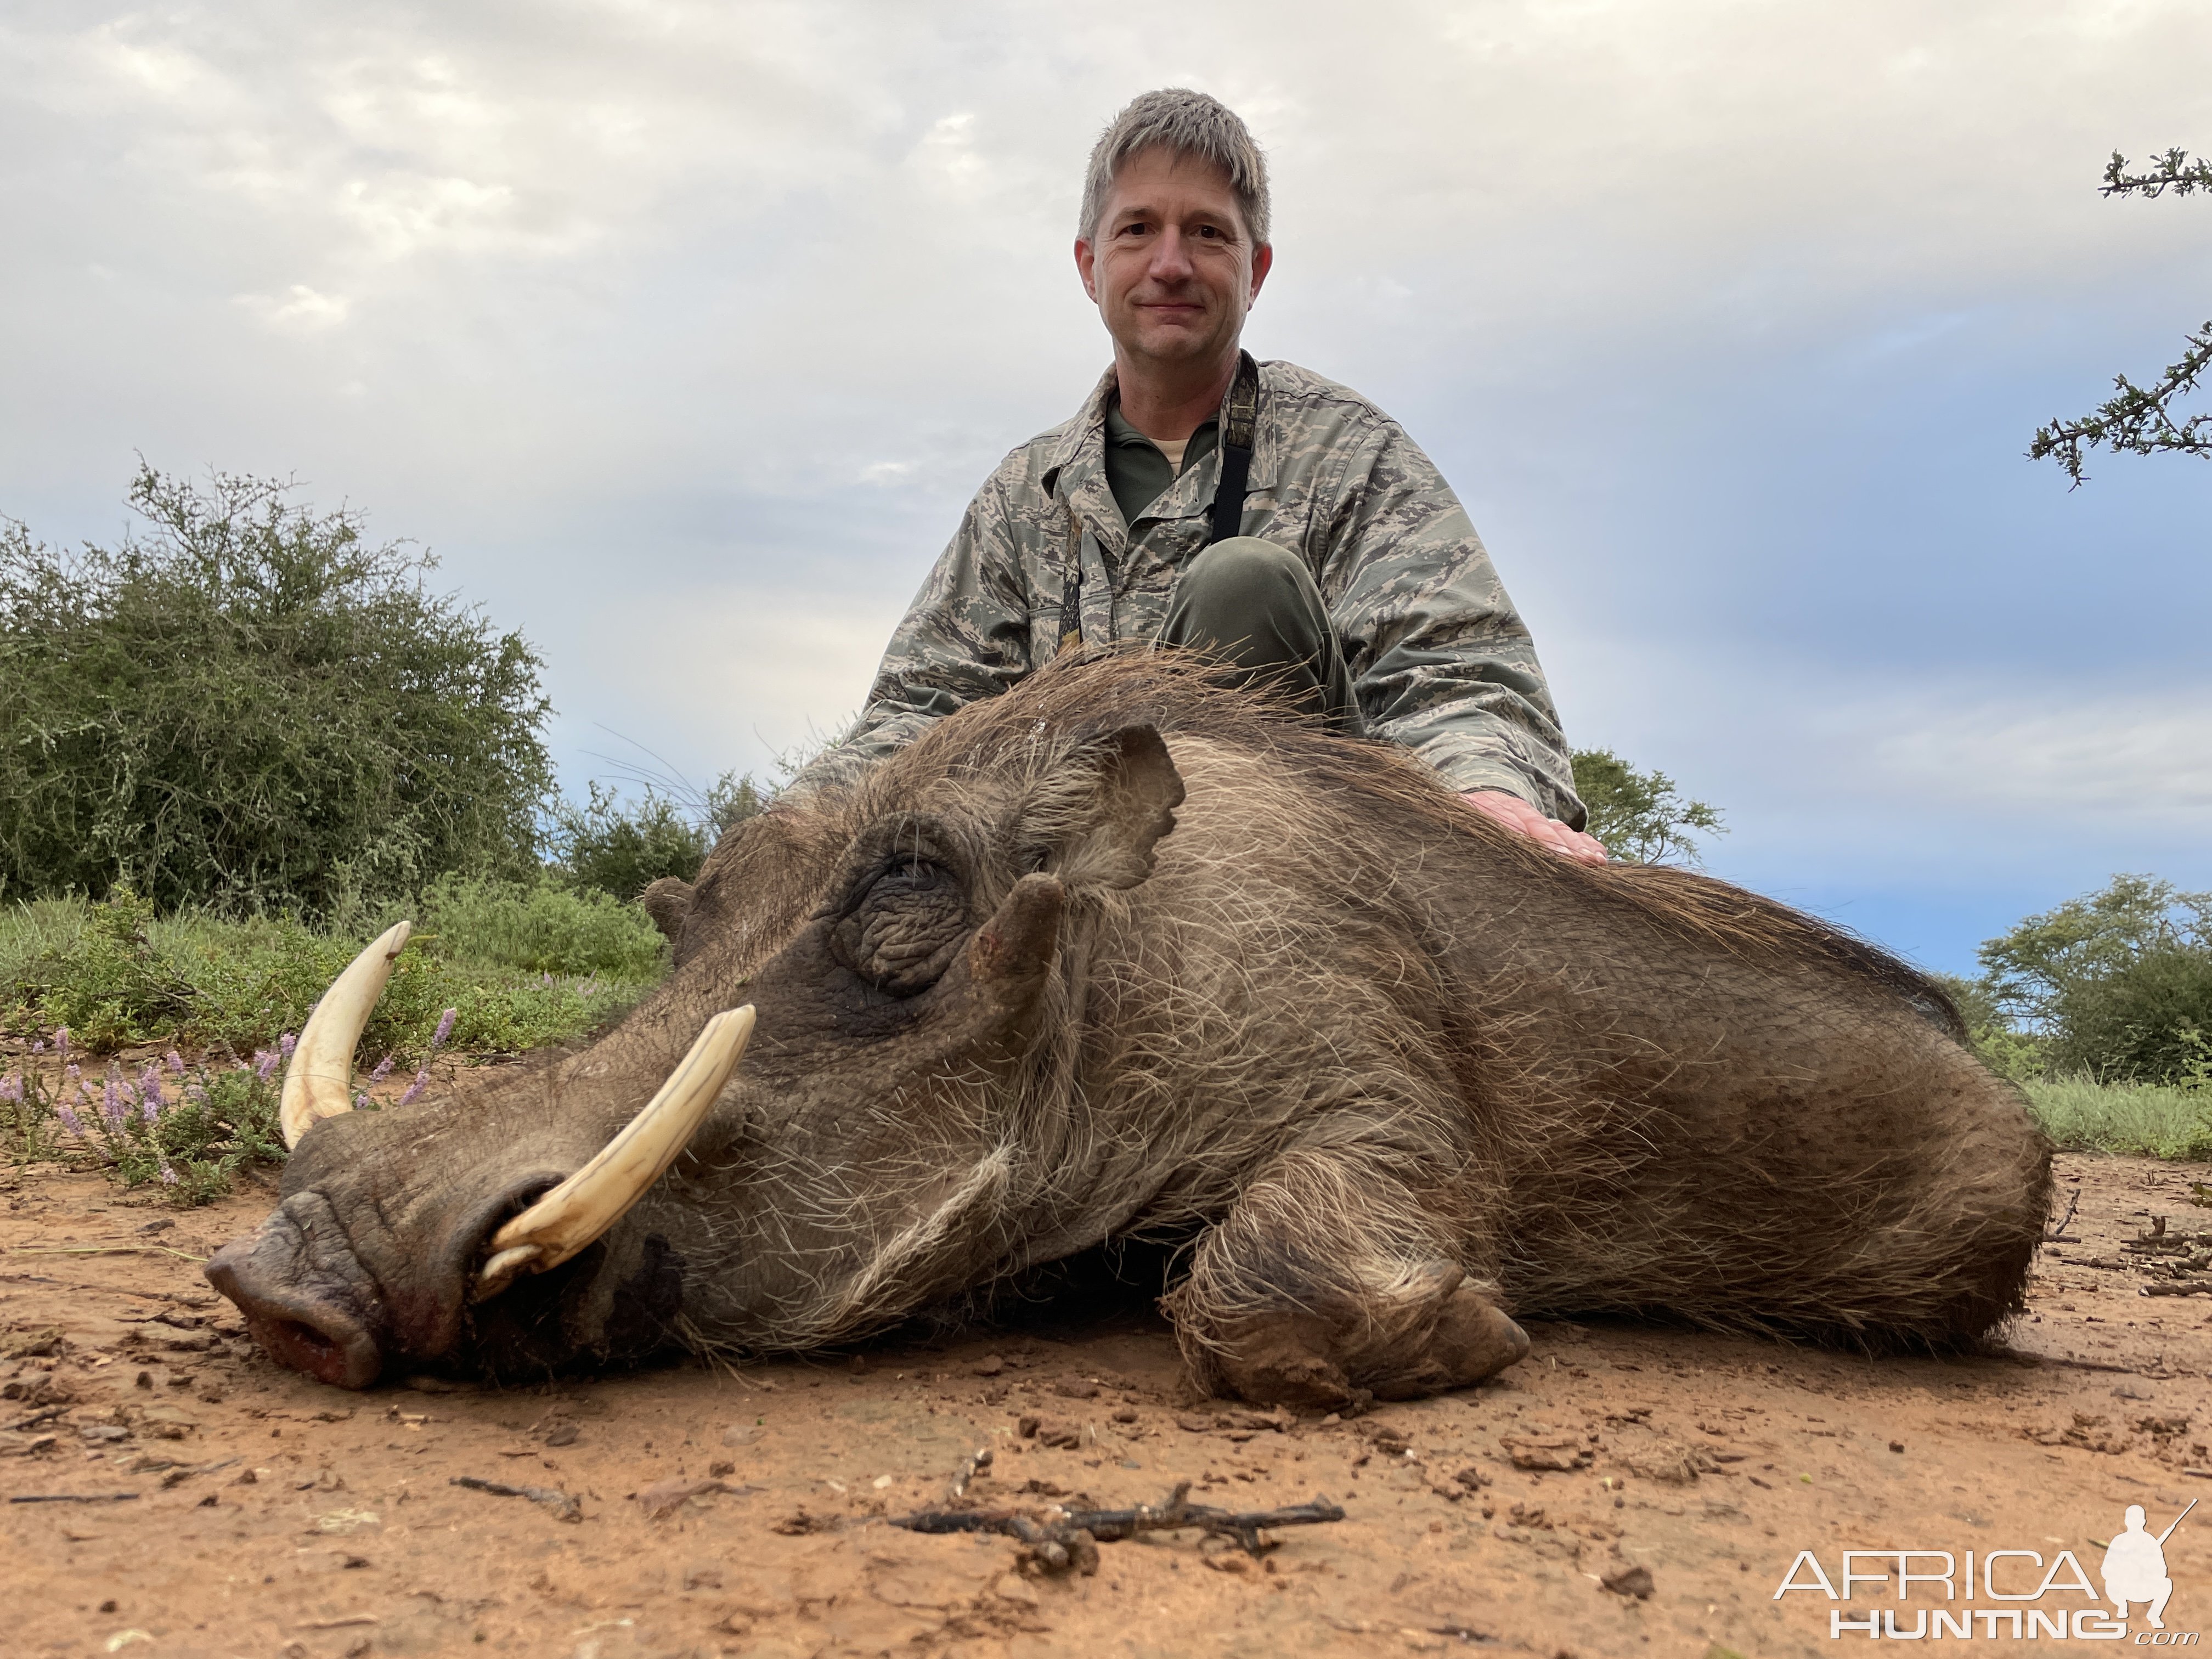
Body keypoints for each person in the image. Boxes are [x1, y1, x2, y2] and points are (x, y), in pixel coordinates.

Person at [800, 88, 1601, 863]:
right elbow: (920, 711)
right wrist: (791, 827)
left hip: (1312, 889)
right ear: (1090, 265)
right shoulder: (1024, 495)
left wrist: (1483, 791)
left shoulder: (1351, 452)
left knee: (1242, 585)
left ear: (1257, 269)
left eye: (1208, 234)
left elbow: (1456, 669)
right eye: (1138, 230)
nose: (1171, 264)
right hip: (1069, 893)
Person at [2102, 1504, 2176, 1629]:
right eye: (2132, 1519)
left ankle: (2154, 1615)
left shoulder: (2151, 1542)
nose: (2135, 1522)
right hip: (2122, 1589)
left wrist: (2146, 1568)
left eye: (2138, 1519)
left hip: (2144, 1588)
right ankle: (2122, 1606)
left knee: (2167, 1583)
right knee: (2110, 1583)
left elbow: (2162, 1571)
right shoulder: (2119, 1541)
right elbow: (2105, 1570)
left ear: (2144, 1521)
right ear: (2126, 1521)